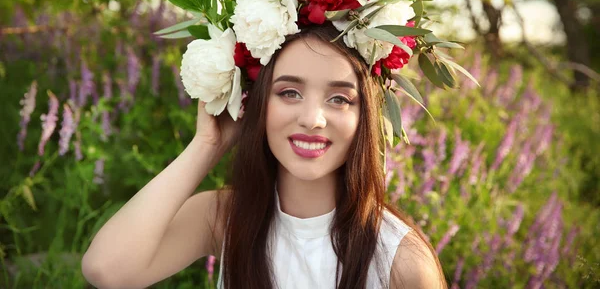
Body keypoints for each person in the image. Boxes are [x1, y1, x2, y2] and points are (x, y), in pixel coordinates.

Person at [81, 22, 447, 289]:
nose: (312, 119)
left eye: (339, 99)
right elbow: (107, 270)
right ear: (257, 102)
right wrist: (206, 146)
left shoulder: (401, 260)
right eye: (289, 93)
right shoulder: (226, 218)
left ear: (363, 116)